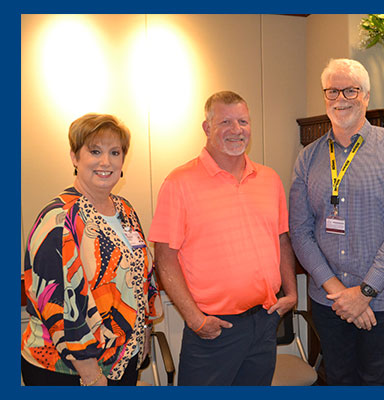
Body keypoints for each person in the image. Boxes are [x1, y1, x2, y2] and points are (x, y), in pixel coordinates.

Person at [149, 91, 297, 386]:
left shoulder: (269, 180)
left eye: (243, 121)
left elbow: (281, 240)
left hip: (264, 320)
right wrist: (195, 320)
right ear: (207, 128)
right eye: (225, 121)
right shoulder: (179, 183)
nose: (236, 129)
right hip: (214, 329)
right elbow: (165, 259)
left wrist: (291, 293)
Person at [289, 58, 384, 385]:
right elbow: (301, 232)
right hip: (329, 302)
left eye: (350, 90)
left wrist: (363, 293)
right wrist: (340, 293)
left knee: (376, 379)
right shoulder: (308, 157)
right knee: (337, 377)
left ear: (367, 96)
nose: (340, 98)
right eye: (332, 91)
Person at [21, 113, 163, 386]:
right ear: (75, 157)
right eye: (95, 151)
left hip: (122, 359)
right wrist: (90, 373)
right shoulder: (59, 218)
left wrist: (143, 333)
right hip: (69, 370)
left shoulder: (125, 210)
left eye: (115, 152)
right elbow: (59, 307)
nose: (105, 162)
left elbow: (142, 278)